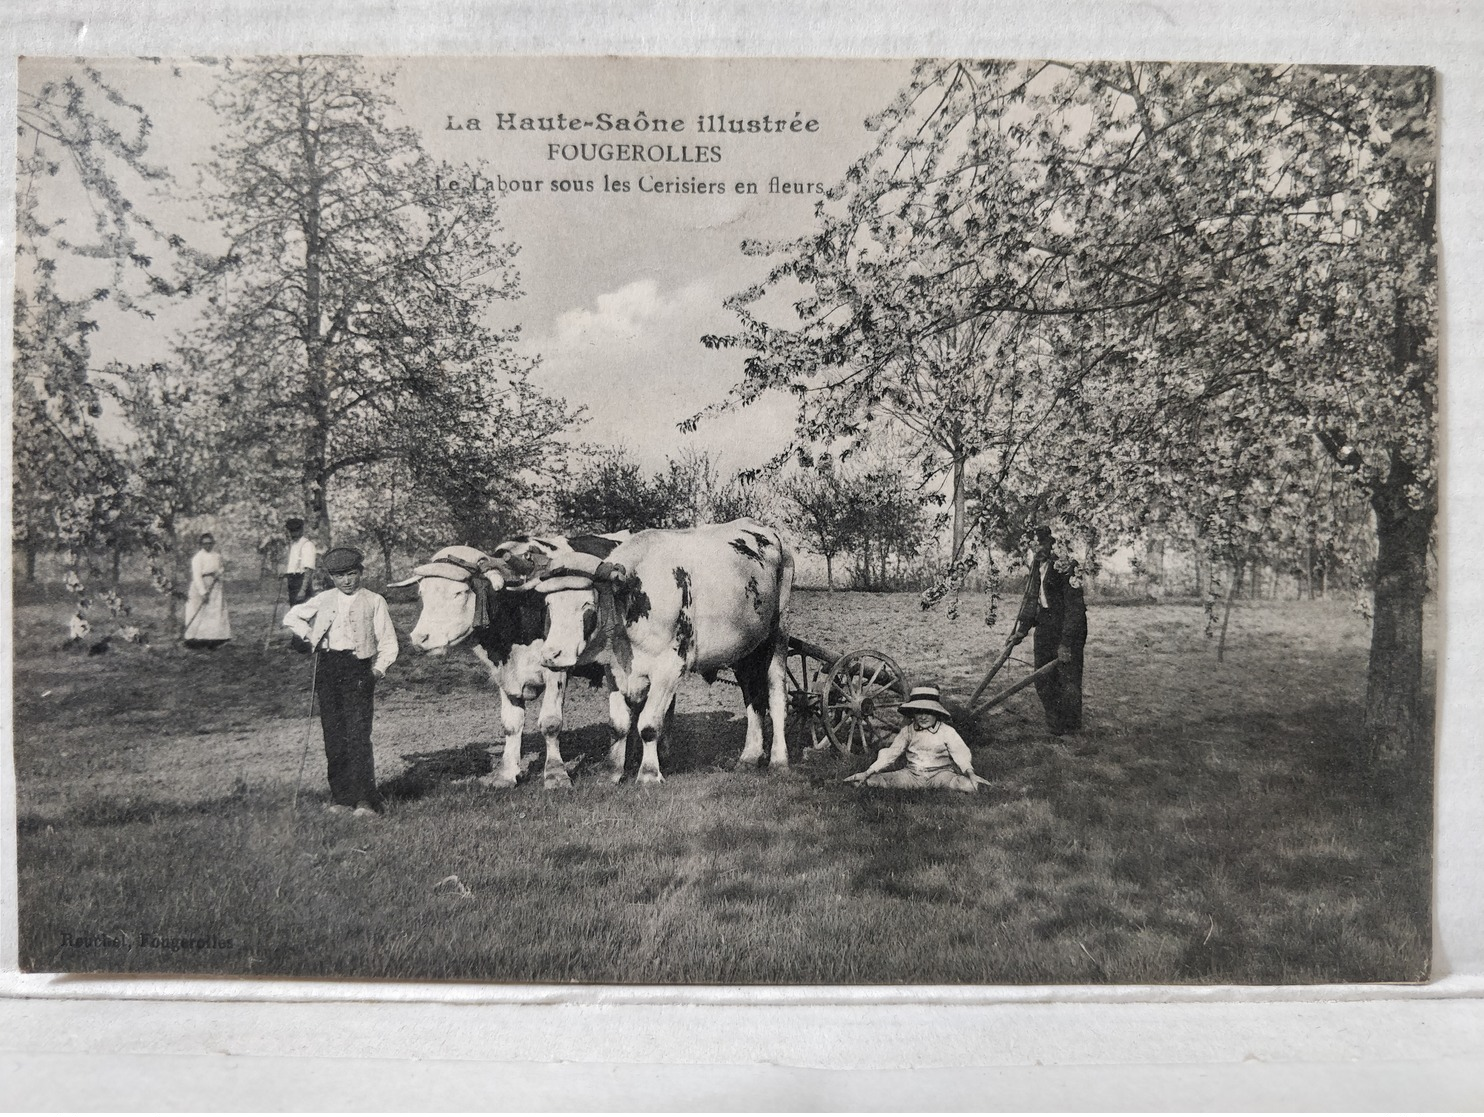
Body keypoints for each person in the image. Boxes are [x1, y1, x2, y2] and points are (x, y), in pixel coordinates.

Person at [282, 547, 399, 817]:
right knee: (333, 735)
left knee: (358, 735)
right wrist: (309, 637)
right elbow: (292, 617)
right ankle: (341, 797)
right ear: (331, 577)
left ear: (361, 572)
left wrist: (376, 672)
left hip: (358, 670)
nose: (346, 581)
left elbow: (389, 644)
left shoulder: (374, 600)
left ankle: (366, 800)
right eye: (339, 576)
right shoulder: (324, 599)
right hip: (328, 668)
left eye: (351, 574)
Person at [1010, 524, 1087, 735]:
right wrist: (1022, 629)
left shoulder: (1067, 566)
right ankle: (1055, 726)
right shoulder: (1036, 566)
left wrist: (1066, 643)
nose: (1039, 550)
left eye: (1042, 544)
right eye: (1034, 546)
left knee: (1067, 679)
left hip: (1067, 627)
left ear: (1051, 543)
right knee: (1043, 678)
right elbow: (1033, 599)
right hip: (1045, 625)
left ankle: (1071, 730)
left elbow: (1075, 608)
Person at [843, 686, 988, 792]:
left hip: (940, 774)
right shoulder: (908, 731)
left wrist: (971, 773)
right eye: (919, 712)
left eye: (928, 712)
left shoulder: (946, 731)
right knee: (877, 780)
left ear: (937, 713)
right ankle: (857, 781)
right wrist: (868, 772)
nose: (923, 717)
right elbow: (891, 753)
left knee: (961, 783)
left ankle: (978, 786)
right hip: (912, 774)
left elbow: (960, 753)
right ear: (913, 714)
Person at [183, 533, 232, 647]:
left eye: (210, 543)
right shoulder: (197, 558)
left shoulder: (217, 556)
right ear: (201, 544)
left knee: (214, 611)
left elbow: (221, 568)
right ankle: (194, 638)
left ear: (213, 544)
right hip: (201, 584)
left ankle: (214, 638)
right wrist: (203, 592)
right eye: (205, 544)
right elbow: (196, 576)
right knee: (199, 611)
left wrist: (218, 573)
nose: (208, 546)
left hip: (215, 585)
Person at [282, 518, 319, 606]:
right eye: (291, 531)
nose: (293, 534)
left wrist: (302, 590)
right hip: (292, 582)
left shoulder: (307, 545)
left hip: (301, 582)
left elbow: (308, 570)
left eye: (295, 531)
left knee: (303, 610)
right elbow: (294, 566)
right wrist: (285, 574)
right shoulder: (293, 545)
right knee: (294, 611)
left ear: (301, 530)